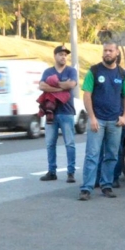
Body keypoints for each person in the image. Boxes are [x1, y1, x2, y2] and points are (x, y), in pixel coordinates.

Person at [78, 41, 125, 202]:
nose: (107, 53)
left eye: (110, 50)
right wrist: (92, 117)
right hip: (98, 121)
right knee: (92, 155)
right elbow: (87, 94)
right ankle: (86, 188)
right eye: (105, 50)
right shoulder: (94, 71)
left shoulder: (122, 74)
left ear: (117, 53)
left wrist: (124, 116)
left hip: (115, 122)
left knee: (111, 155)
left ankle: (106, 185)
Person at [39, 44, 79, 184]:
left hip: (67, 112)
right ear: (55, 56)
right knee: (50, 143)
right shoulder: (48, 71)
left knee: (70, 143)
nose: (64, 57)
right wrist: (61, 86)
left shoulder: (71, 71)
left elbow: (72, 85)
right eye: (61, 54)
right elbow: (41, 86)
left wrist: (53, 86)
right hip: (51, 112)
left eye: (65, 55)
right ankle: (52, 171)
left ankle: (71, 173)